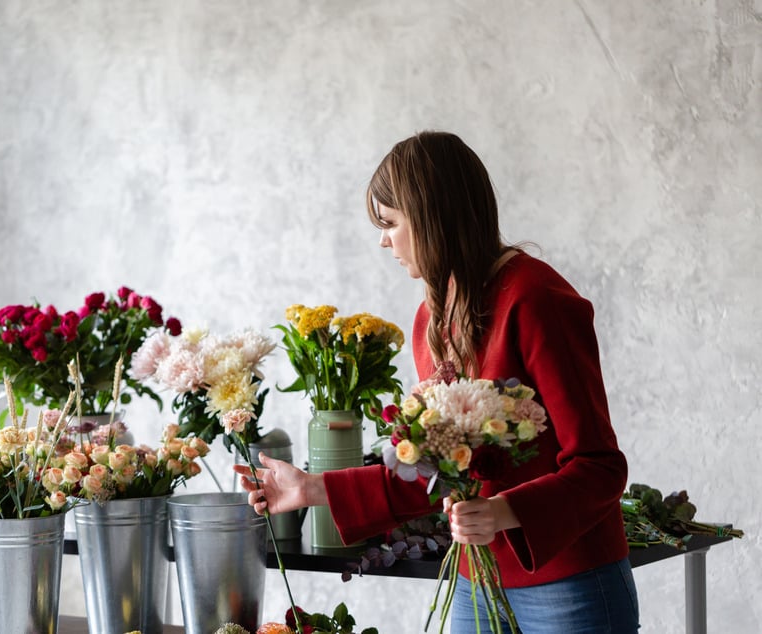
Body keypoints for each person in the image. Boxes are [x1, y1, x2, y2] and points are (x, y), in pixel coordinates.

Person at [234, 131, 639, 633]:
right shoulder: (430, 321)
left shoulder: (537, 301)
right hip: (475, 582)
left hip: (568, 585)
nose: (383, 240)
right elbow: (433, 473)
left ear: (431, 219)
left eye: (390, 223)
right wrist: (310, 488)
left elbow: (599, 467)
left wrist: (504, 511)